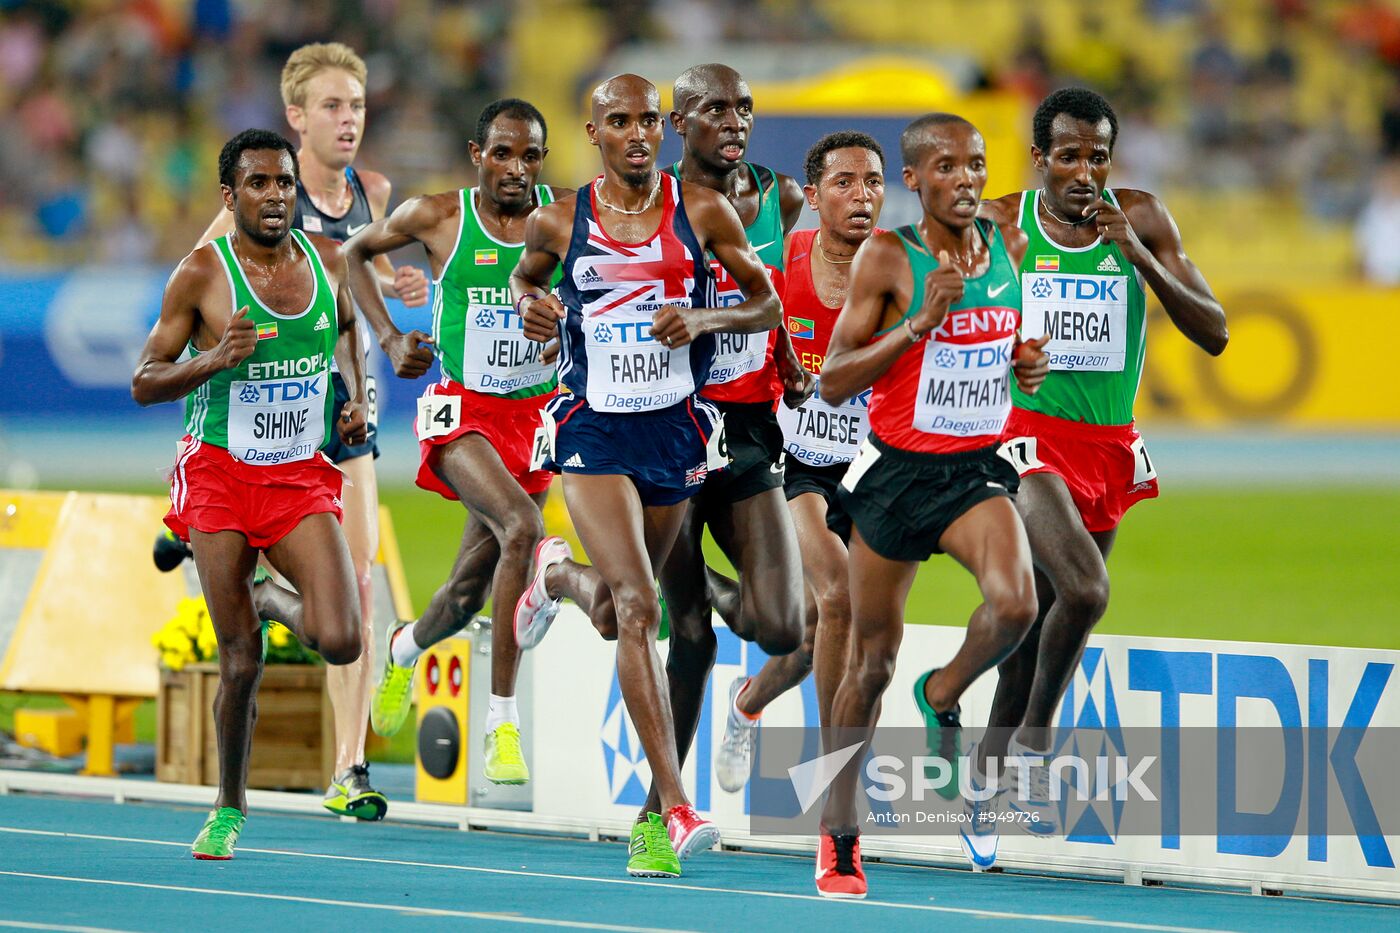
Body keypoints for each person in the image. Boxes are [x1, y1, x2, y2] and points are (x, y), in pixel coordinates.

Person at [511, 74, 780, 879]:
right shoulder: (561, 219)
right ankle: (673, 807)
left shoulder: (702, 211)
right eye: (619, 121)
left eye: (647, 122)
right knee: (639, 606)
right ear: (593, 132)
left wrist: (703, 317)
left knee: (611, 609)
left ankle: (554, 575)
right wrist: (530, 303)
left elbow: (765, 304)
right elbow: (526, 278)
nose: (636, 134)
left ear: (663, 129)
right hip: (593, 428)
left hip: (674, 430)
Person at [153, 43, 428, 820]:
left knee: (359, 581)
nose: (349, 120)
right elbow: (206, 276)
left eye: (357, 106)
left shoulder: (374, 191)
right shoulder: (262, 188)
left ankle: (349, 766)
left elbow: (358, 279)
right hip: (255, 407)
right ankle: (190, 518)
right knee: (283, 601)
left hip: (337, 401)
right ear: (296, 118)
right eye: (333, 106)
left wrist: (397, 283)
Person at [955, 87, 1227, 868]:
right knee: (1085, 589)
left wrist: (1138, 256)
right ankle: (1035, 750)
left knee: (1042, 617)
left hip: (1106, 444)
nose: (1084, 172)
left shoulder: (1140, 217)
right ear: (1038, 157)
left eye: (1097, 156)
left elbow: (1215, 332)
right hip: (1022, 436)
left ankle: (984, 782)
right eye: (1068, 156)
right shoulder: (1001, 224)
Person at [812, 114, 1050, 898]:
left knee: (1016, 604)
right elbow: (834, 378)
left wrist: (1024, 360)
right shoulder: (889, 256)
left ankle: (942, 692)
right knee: (870, 662)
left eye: (975, 163)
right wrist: (918, 324)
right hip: (896, 476)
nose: (966, 178)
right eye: (946, 166)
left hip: (973, 469)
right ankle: (838, 833)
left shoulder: (1008, 244)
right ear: (913, 180)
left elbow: (1005, 343)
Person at [346, 98, 605, 786]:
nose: (516, 168)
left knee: (465, 593)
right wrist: (389, 336)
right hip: (462, 412)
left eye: (530, 156)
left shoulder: (569, 215)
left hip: (536, 419)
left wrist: (568, 320)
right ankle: (502, 721)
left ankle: (403, 648)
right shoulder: (439, 217)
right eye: (502, 153)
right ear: (476, 155)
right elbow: (352, 252)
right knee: (523, 526)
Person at [132, 130, 368, 859]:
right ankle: (229, 805)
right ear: (230, 196)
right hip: (220, 474)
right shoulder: (203, 273)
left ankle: (266, 596)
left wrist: (354, 399)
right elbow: (144, 379)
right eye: (258, 183)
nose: (275, 196)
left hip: (297, 474)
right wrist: (213, 359)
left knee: (343, 638)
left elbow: (348, 331)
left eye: (285, 183)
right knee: (240, 660)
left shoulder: (329, 261)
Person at [647, 62, 808, 820]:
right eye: (715, 109)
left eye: (743, 107)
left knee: (781, 624)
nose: (734, 120)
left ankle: (678, 578)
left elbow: (771, 294)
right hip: (670, 421)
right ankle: (660, 814)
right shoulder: (652, 205)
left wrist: (788, 360)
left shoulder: (782, 197)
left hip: (746, 428)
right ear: (680, 123)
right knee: (690, 635)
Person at [714, 131, 887, 792]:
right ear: (812, 196)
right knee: (838, 592)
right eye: (844, 182)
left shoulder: (899, 266)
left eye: (872, 182)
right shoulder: (782, 259)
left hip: (869, 468)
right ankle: (836, 775)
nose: (861, 195)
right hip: (793, 462)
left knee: (817, 639)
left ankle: (746, 704)